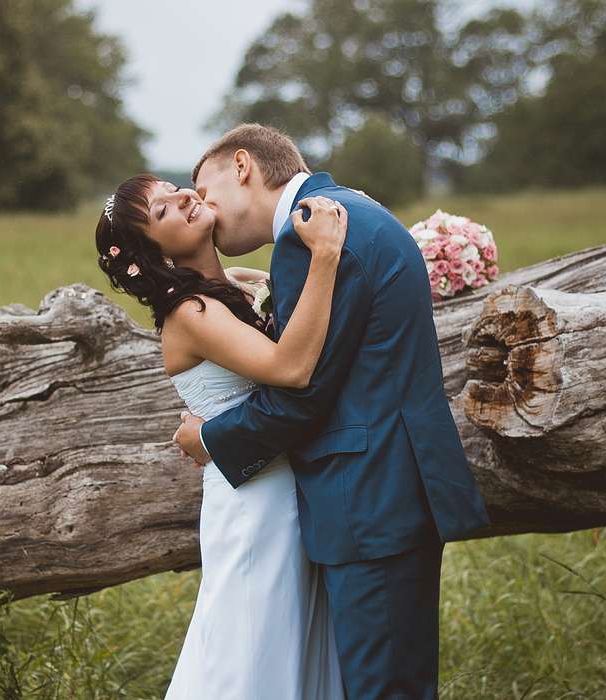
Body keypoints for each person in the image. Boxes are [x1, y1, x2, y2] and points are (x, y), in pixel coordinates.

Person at [172, 123, 492, 699]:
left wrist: (211, 439)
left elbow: (303, 392)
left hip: (370, 496)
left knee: (384, 688)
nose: (208, 218)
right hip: (389, 489)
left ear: (242, 166)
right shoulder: (347, 212)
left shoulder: (310, 236)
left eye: (206, 195)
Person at [94, 172, 349, 699]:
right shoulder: (191, 313)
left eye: (172, 189)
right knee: (251, 649)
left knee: (288, 641)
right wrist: (324, 257)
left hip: (282, 486)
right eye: (163, 211)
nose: (184, 197)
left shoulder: (233, 286)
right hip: (254, 503)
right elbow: (291, 366)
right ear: (156, 254)